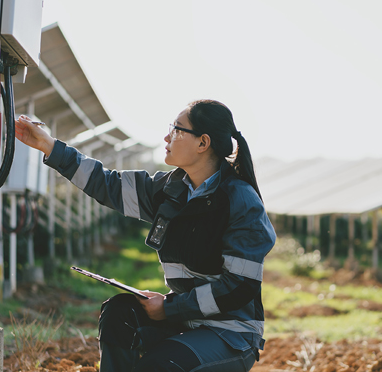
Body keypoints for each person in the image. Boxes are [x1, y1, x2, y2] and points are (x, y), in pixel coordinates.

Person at [14, 99, 276, 371]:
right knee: (120, 315)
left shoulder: (240, 201)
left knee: (160, 366)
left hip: (230, 332)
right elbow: (107, 184)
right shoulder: (169, 190)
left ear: (203, 143)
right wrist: (49, 146)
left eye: (176, 130)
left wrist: (170, 308)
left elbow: (238, 287)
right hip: (185, 320)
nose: (166, 137)